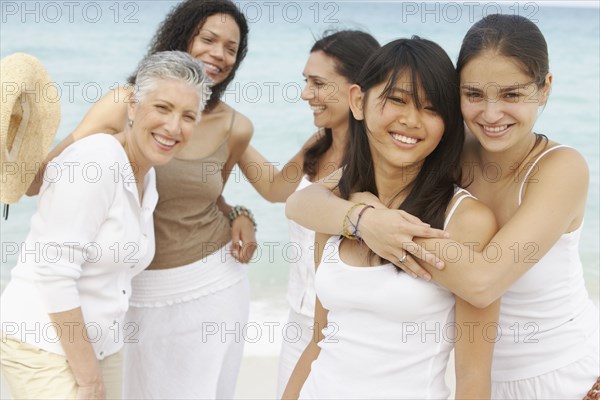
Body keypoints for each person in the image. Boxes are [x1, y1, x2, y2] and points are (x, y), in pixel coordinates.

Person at [286, 14, 600, 399]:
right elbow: (307, 200)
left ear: (545, 89)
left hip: (560, 375)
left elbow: (483, 283)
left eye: (512, 95)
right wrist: (362, 219)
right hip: (485, 377)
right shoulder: (449, 150)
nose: (490, 114)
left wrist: (385, 229)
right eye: (473, 95)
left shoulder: (560, 169)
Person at [26, 1, 257, 398]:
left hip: (207, 285)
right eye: (209, 39)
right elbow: (47, 177)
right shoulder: (126, 103)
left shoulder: (226, 123)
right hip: (134, 295)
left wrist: (239, 212)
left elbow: (202, 192)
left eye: (231, 48)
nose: (219, 54)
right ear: (183, 34)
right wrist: (17, 141)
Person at [284, 37, 500, 399]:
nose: (411, 120)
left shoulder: (467, 219)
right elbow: (319, 341)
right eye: (397, 100)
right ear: (358, 101)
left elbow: (473, 374)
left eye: (431, 109)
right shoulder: (341, 208)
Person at [0, 50, 209, 400]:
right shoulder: (95, 160)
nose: (174, 127)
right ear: (132, 107)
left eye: (188, 116)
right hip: (40, 342)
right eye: (162, 108)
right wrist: (89, 381)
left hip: (99, 348)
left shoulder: (148, 175)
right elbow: (53, 272)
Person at [236, 29, 380, 396]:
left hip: (351, 329)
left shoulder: (382, 162)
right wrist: (232, 136)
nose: (305, 94)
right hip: (299, 322)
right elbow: (275, 188)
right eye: (306, 82)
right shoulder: (320, 142)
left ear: (356, 92)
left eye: (318, 83)